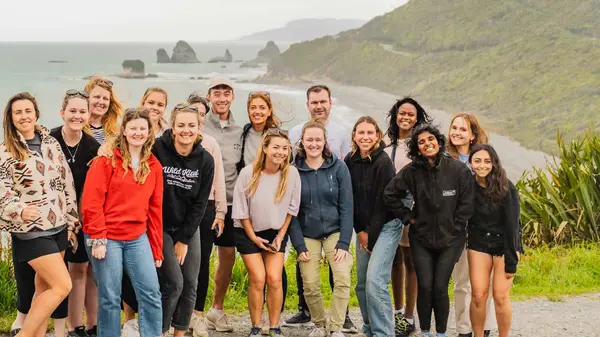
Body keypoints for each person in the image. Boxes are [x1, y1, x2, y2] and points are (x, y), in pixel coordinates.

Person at [383, 124, 475, 337]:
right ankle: (425, 332)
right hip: (421, 238)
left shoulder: (458, 169)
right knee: (425, 286)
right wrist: (407, 217)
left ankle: (441, 333)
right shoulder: (412, 170)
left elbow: (467, 203)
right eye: (421, 142)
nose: (427, 144)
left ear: (439, 141)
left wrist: (456, 226)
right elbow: (390, 194)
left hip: (451, 240)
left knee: (440, 287)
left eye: (430, 139)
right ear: (417, 148)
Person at [0, 92, 79, 337]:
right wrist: (20, 209)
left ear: (36, 113)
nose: (24, 116)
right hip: (31, 231)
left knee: (43, 292)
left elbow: (66, 183)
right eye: (18, 112)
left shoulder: (51, 143)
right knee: (63, 285)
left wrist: (71, 224)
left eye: (28, 111)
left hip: (58, 228)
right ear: (11, 119)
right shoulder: (6, 151)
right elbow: (2, 190)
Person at [82, 108, 163, 337]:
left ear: (149, 133)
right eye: (133, 128)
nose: (138, 132)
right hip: (105, 236)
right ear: (124, 131)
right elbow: (91, 202)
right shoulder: (106, 161)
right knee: (110, 296)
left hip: (137, 237)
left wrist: (156, 248)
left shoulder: (154, 166)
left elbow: (155, 210)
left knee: (151, 293)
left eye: (142, 129)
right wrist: (98, 238)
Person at [286, 85, 355, 333]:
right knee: (311, 284)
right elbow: (291, 211)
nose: (314, 144)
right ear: (301, 142)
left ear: (325, 141)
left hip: (336, 231)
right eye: (309, 140)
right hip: (307, 233)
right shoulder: (293, 171)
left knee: (343, 278)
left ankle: (335, 327)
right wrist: (299, 245)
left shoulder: (338, 168)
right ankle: (319, 324)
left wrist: (345, 242)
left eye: (318, 139)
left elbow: (347, 206)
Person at [232, 128, 300, 337]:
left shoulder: (291, 173)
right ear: (265, 148)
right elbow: (241, 211)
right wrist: (253, 237)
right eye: (276, 147)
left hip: (275, 232)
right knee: (258, 277)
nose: (280, 152)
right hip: (247, 231)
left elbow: (291, 210)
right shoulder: (248, 172)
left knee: (274, 278)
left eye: (284, 148)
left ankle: (274, 326)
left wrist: (280, 237)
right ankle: (255, 326)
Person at [154, 104, 215, 336]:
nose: (186, 130)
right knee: (174, 283)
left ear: (199, 128)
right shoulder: (158, 149)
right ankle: (159, 331)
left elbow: (200, 204)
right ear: (172, 127)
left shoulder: (205, 160)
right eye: (181, 125)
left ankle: (179, 332)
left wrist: (185, 239)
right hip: (159, 226)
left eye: (191, 125)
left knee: (191, 283)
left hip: (188, 227)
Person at [50, 90, 101, 337]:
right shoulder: (49, 140)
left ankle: (92, 324)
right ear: (62, 113)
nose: (77, 116)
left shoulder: (94, 147)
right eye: (72, 111)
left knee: (88, 269)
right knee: (70, 272)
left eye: (82, 112)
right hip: (55, 218)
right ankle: (73, 325)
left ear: (89, 115)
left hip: (84, 218)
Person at [344, 116, 397, 337]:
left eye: (369, 133)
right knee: (362, 285)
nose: (365, 137)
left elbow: (382, 203)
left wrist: (370, 236)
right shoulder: (350, 159)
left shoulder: (383, 162)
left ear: (377, 136)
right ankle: (369, 328)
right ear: (354, 136)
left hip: (386, 226)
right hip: (364, 228)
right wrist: (360, 231)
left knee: (375, 282)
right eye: (361, 133)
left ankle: (383, 332)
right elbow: (349, 199)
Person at [383, 97, 431, 336]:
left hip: (413, 209)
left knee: (411, 261)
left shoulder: (420, 144)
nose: (406, 117)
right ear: (395, 114)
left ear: (417, 117)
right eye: (402, 113)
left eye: (411, 114)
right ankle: (398, 311)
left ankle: (409, 318)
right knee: (394, 261)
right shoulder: (386, 142)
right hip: (388, 207)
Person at [447, 113, 495, 337]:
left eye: (463, 129)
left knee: (485, 284)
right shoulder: (445, 159)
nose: (457, 132)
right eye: (454, 128)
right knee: (462, 282)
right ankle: (464, 329)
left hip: (485, 229)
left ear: (473, 135)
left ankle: (485, 328)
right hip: (457, 230)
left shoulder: (484, 159)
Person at [202, 78, 243, 333]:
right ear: (209, 97)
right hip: (204, 204)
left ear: (232, 97)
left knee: (227, 256)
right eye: (217, 93)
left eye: (226, 93)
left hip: (231, 203)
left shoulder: (241, 130)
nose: (221, 98)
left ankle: (217, 309)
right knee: (199, 259)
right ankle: (191, 312)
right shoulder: (199, 125)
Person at [468, 144, 521, 337]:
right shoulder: (468, 186)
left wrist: (511, 259)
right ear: (471, 163)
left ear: (494, 163)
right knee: (479, 295)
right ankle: (478, 334)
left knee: (500, 296)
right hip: (478, 243)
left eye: (487, 161)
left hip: (505, 244)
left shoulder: (506, 186)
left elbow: (513, 226)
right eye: (478, 160)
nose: (482, 165)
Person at [186, 93, 227, 337]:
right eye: (193, 112)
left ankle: (197, 315)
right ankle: (176, 313)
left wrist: (220, 212)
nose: (198, 118)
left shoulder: (210, 143)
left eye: (202, 114)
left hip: (207, 207)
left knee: (201, 263)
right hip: (179, 208)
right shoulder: (172, 139)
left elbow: (219, 179)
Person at [83, 76, 123, 144]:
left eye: (105, 99)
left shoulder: (117, 131)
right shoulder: (78, 128)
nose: (101, 102)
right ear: (87, 99)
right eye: (97, 97)